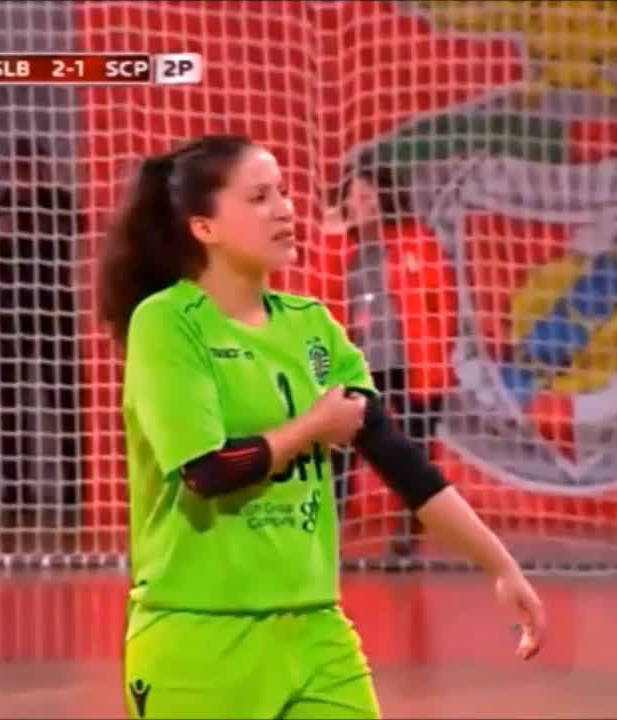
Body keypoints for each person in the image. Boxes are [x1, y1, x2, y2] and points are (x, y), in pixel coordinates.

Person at [99, 134, 546, 720]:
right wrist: (313, 426)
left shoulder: (312, 327)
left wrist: (500, 565)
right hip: (198, 637)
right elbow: (207, 471)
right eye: (259, 197)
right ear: (204, 227)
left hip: (316, 632)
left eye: (283, 192)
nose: (284, 209)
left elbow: (400, 460)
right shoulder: (167, 324)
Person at [328, 165, 459, 556]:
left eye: (368, 195)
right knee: (341, 447)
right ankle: (330, 529)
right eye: (353, 197)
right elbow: (320, 293)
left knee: (412, 451)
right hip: (357, 363)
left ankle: (409, 529)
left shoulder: (416, 241)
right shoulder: (340, 248)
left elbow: (444, 304)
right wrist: (331, 235)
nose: (361, 204)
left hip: (413, 363)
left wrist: (437, 357)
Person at [0, 169, 84, 515]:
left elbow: (80, 233)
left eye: (30, 170)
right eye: (16, 172)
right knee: (9, 406)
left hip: (54, 314)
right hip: (8, 318)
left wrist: (41, 225)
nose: (23, 179)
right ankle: (16, 491)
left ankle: (75, 491)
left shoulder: (60, 205)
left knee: (65, 402)